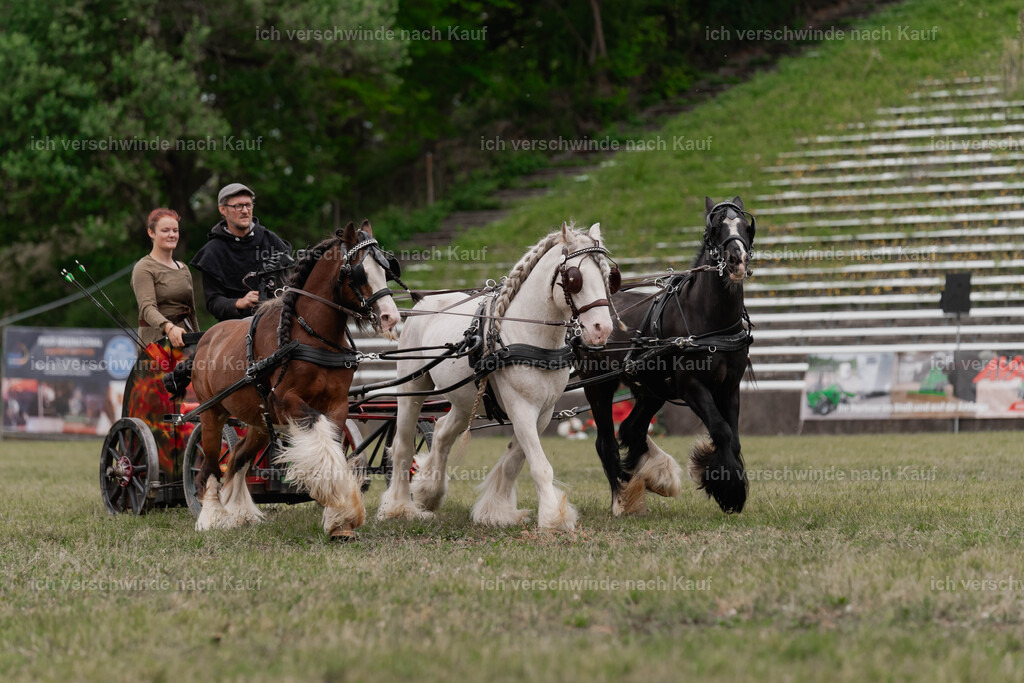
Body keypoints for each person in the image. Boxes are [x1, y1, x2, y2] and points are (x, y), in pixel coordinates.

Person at [190, 183, 290, 321]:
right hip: (236, 327)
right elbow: (213, 302)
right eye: (238, 206)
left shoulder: (270, 240)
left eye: (248, 205)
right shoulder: (213, 252)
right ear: (223, 210)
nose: (245, 211)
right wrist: (240, 302)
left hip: (277, 320)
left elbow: (288, 283)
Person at [131, 208, 200, 348]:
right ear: (151, 233)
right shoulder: (143, 268)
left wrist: (199, 342)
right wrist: (169, 328)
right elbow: (147, 308)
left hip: (186, 339)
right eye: (165, 230)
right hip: (157, 342)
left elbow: (192, 313)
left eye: (175, 230)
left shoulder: (183, 268)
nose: (172, 235)